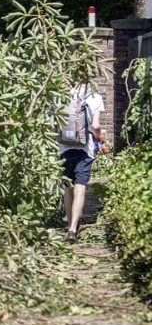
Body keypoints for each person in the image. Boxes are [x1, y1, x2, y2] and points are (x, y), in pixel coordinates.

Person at [59, 78, 105, 242]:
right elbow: (96, 125)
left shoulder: (63, 95)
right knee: (80, 187)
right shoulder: (95, 97)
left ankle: (69, 224)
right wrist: (100, 139)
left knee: (68, 187)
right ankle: (73, 229)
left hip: (64, 147)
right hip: (85, 149)